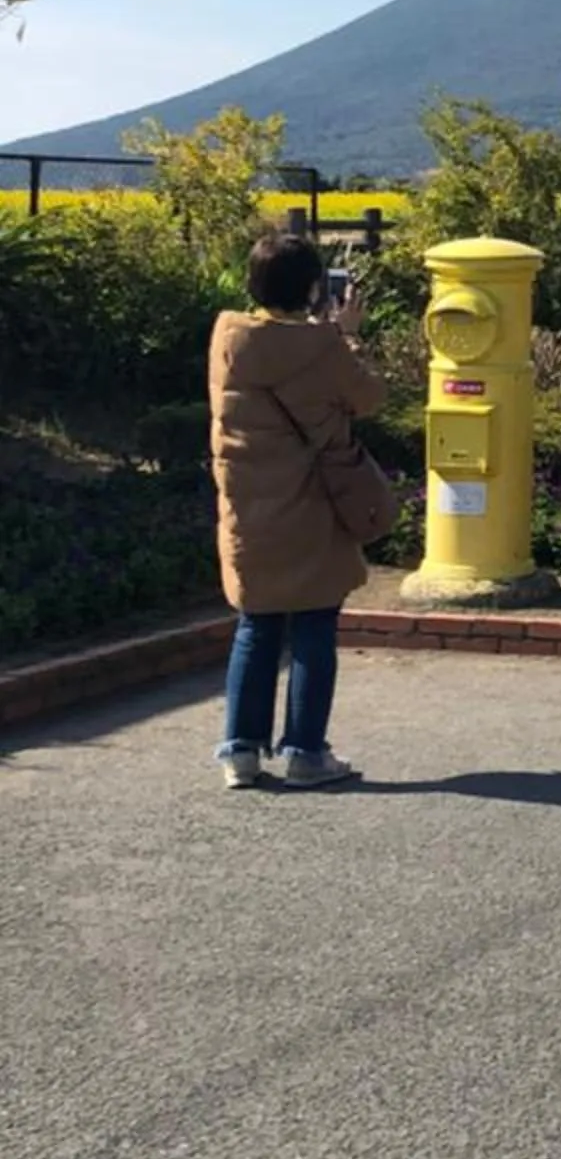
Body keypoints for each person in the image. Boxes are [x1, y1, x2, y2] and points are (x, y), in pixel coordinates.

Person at [209, 230, 388, 791]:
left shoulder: (227, 339)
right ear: (314, 289)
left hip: (247, 505)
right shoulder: (325, 348)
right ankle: (307, 753)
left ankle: (240, 753)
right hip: (313, 504)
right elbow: (368, 398)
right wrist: (347, 336)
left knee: (256, 623)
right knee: (313, 623)